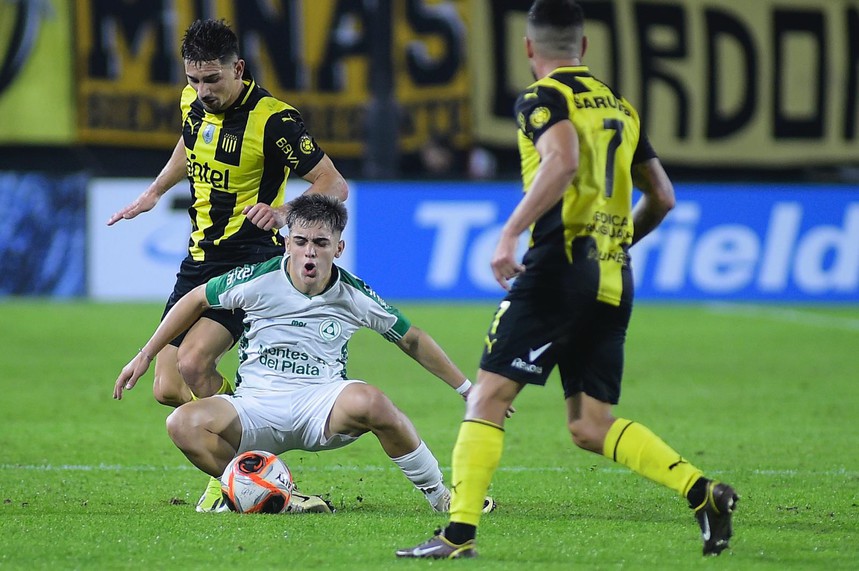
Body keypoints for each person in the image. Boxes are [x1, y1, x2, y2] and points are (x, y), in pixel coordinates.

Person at [396, 0, 738, 559]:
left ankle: (457, 535)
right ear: (583, 46)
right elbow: (662, 196)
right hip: (613, 277)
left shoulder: (543, 97)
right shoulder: (621, 107)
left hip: (559, 267)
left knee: (487, 397)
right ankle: (701, 492)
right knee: (589, 425)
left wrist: (509, 233)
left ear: (529, 47)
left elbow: (561, 160)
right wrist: (617, 243)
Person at [113, 195, 496, 516]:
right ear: (286, 243)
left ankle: (441, 496)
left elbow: (412, 339)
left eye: (321, 243)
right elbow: (196, 298)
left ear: (338, 248)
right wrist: (145, 355)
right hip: (256, 407)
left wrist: (466, 389)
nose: (309, 252)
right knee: (182, 424)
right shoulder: (258, 279)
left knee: (373, 402)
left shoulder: (354, 295)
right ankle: (277, 495)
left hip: (322, 407)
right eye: (300, 241)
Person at [106, 19, 347, 511]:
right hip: (198, 258)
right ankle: (253, 465)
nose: (203, 91)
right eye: (193, 79)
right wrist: (155, 192)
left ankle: (247, 477)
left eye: (212, 79)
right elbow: (189, 143)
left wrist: (283, 212)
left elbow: (333, 184)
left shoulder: (275, 121)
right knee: (167, 387)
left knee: (194, 363)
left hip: (250, 258)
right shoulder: (192, 102)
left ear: (238, 68)